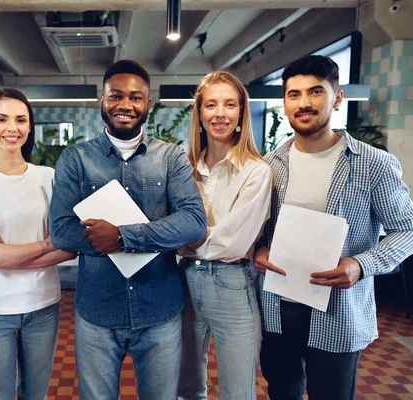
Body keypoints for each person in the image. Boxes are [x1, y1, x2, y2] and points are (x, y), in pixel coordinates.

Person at [254, 55, 413, 400]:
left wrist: (360, 265)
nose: (304, 103)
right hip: (277, 306)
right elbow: (255, 232)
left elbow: (407, 230)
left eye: (315, 92)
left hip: (339, 309)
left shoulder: (374, 164)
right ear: (284, 103)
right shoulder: (268, 166)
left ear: (337, 98)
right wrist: (257, 250)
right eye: (293, 94)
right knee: (282, 391)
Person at [49, 59, 207, 400]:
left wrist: (122, 237)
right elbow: (61, 230)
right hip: (97, 311)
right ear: (101, 101)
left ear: (148, 104)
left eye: (136, 97)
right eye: (116, 96)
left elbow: (194, 220)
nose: (125, 105)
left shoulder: (171, 157)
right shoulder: (76, 159)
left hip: (159, 310)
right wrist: (152, 235)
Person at [0, 87, 76, 400]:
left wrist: (5, 254)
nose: (13, 128)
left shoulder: (47, 177)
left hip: (44, 305)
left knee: (35, 395)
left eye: (21, 120)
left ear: (29, 126)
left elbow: (69, 246)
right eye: (2, 119)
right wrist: (44, 245)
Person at [177, 71, 271, 400]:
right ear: (199, 114)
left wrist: (175, 236)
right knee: (185, 387)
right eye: (211, 105)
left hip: (232, 285)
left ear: (241, 112)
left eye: (230, 105)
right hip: (183, 283)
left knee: (237, 392)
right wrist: (176, 233)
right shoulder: (183, 167)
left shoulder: (257, 171)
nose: (220, 114)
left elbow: (233, 241)